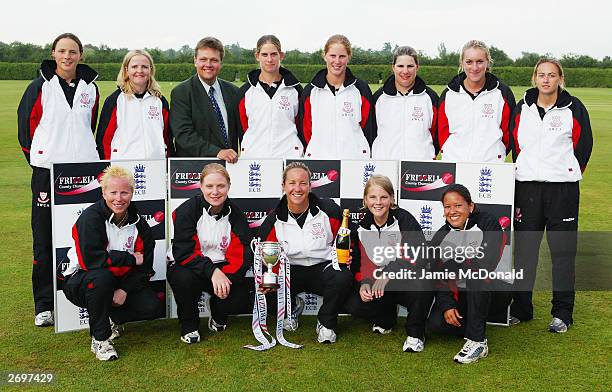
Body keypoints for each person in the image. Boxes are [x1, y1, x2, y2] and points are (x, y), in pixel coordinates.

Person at [17, 33, 100, 327]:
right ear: (54, 53)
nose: (67, 56)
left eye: (73, 51)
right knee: (44, 238)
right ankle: (44, 304)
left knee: (81, 236)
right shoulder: (39, 86)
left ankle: (83, 298)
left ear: (80, 55)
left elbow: (90, 126)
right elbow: (26, 128)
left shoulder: (91, 88)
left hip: (84, 173)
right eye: (62, 51)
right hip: (48, 173)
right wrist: (40, 161)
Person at [509, 58, 593, 333]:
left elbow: (584, 145)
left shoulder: (574, 107)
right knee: (525, 252)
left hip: (562, 190)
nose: (546, 80)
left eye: (552, 75)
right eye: (541, 75)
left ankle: (562, 313)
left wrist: (566, 172)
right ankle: (522, 308)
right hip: (528, 188)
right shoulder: (522, 108)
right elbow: (514, 143)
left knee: (563, 253)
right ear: (535, 78)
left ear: (560, 79)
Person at [62, 166, 163, 361]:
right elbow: (92, 260)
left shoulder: (140, 224)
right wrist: (130, 258)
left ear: (132, 193)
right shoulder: (90, 218)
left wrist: (125, 289)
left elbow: (144, 268)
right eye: (113, 192)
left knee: (152, 307)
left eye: (124, 192)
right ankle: (100, 339)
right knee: (102, 277)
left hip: (117, 282)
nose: (119, 198)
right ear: (103, 192)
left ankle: (113, 318)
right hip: (81, 281)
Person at [258, 162, 353, 343]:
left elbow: (349, 237)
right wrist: (268, 279)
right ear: (283, 186)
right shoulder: (273, 219)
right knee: (264, 289)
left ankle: (326, 323)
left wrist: (348, 255)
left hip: (323, 268)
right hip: (290, 271)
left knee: (343, 277)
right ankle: (291, 308)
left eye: (303, 183)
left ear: (310, 185)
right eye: (292, 183)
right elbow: (265, 256)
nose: (297, 188)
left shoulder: (329, 210)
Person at [167, 163, 253, 344]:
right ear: (201, 187)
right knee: (185, 280)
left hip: (221, 267)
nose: (215, 192)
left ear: (229, 186)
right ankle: (189, 325)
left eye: (221, 186)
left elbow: (242, 254)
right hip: (188, 265)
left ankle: (218, 313)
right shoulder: (186, 211)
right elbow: (184, 252)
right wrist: (212, 271)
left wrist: (226, 277)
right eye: (209, 186)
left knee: (240, 295)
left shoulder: (236, 214)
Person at [346, 175, 431, 352]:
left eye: (384, 197)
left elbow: (417, 255)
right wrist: (365, 283)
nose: (378, 202)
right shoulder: (361, 226)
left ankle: (416, 334)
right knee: (354, 303)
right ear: (365, 200)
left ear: (392, 198)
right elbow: (361, 262)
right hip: (381, 283)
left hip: (407, 280)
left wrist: (389, 272)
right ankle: (386, 320)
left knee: (423, 282)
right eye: (373, 197)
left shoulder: (404, 219)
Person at [427, 184, 504, 364]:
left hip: (492, 290)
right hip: (462, 294)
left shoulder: (488, 223)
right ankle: (474, 323)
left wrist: (455, 264)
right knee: (436, 324)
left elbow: (487, 263)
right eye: (447, 207)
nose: (452, 211)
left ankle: (477, 341)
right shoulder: (441, 236)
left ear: (470, 206)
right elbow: (437, 276)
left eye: (458, 205)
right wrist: (447, 304)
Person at [438, 40, 516, 163]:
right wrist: (450, 151)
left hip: (490, 166)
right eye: (469, 62)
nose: (474, 67)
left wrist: (495, 154)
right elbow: (441, 132)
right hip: (454, 163)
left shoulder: (502, 93)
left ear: (488, 62)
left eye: (480, 62)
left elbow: (508, 134)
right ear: (462, 63)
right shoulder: (449, 94)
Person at [298, 34, 373, 159]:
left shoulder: (361, 89)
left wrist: (360, 151)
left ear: (349, 57)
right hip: (319, 159)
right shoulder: (310, 91)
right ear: (325, 56)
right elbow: (306, 129)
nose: (337, 61)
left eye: (342, 56)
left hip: (354, 159)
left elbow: (369, 128)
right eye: (333, 56)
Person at [170, 37, 241, 163]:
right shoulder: (181, 92)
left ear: (221, 63)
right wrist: (217, 152)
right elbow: (183, 134)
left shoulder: (234, 92)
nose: (208, 64)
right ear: (195, 61)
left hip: (228, 167)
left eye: (214, 60)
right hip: (193, 169)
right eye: (203, 59)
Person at [96, 49, 171, 160]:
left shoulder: (160, 101)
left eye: (145, 67)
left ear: (150, 70)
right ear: (126, 70)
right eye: (134, 66)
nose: (139, 70)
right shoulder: (115, 100)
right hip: (122, 169)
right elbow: (104, 139)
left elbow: (167, 138)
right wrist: (108, 168)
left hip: (155, 165)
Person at [238, 35, 304, 158]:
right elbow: (243, 126)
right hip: (254, 157)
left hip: (288, 156)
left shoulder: (296, 90)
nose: (269, 59)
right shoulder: (246, 91)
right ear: (257, 56)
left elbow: (301, 125)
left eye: (274, 54)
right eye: (264, 55)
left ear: (281, 55)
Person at [371, 46, 439, 160]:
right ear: (393, 67)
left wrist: (426, 155)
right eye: (400, 66)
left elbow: (437, 136)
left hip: (420, 167)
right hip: (385, 166)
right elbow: (370, 132)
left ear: (417, 67)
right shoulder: (379, 98)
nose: (405, 71)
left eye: (410, 66)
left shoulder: (430, 98)